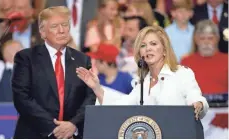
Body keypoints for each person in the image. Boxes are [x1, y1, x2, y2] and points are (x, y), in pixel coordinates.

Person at [76, 25, 209, 120]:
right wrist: (97, 88)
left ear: (164, 50)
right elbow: (122, 105)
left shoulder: (181, 74)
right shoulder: (142, 82)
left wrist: (198, 104)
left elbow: (196, 97)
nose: (148, 49)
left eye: (153, 44)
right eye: (143, 45)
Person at [12, 6, 96, 139]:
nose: (61, 30)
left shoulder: (82, 59)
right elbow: (22, 98)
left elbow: (90, 97)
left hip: (72, 135)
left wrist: (73, 125)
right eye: (55, 26)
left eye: (65, 25)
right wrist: (55, 129)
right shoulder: (26, 58)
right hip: (35, 134)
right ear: (42, 32)